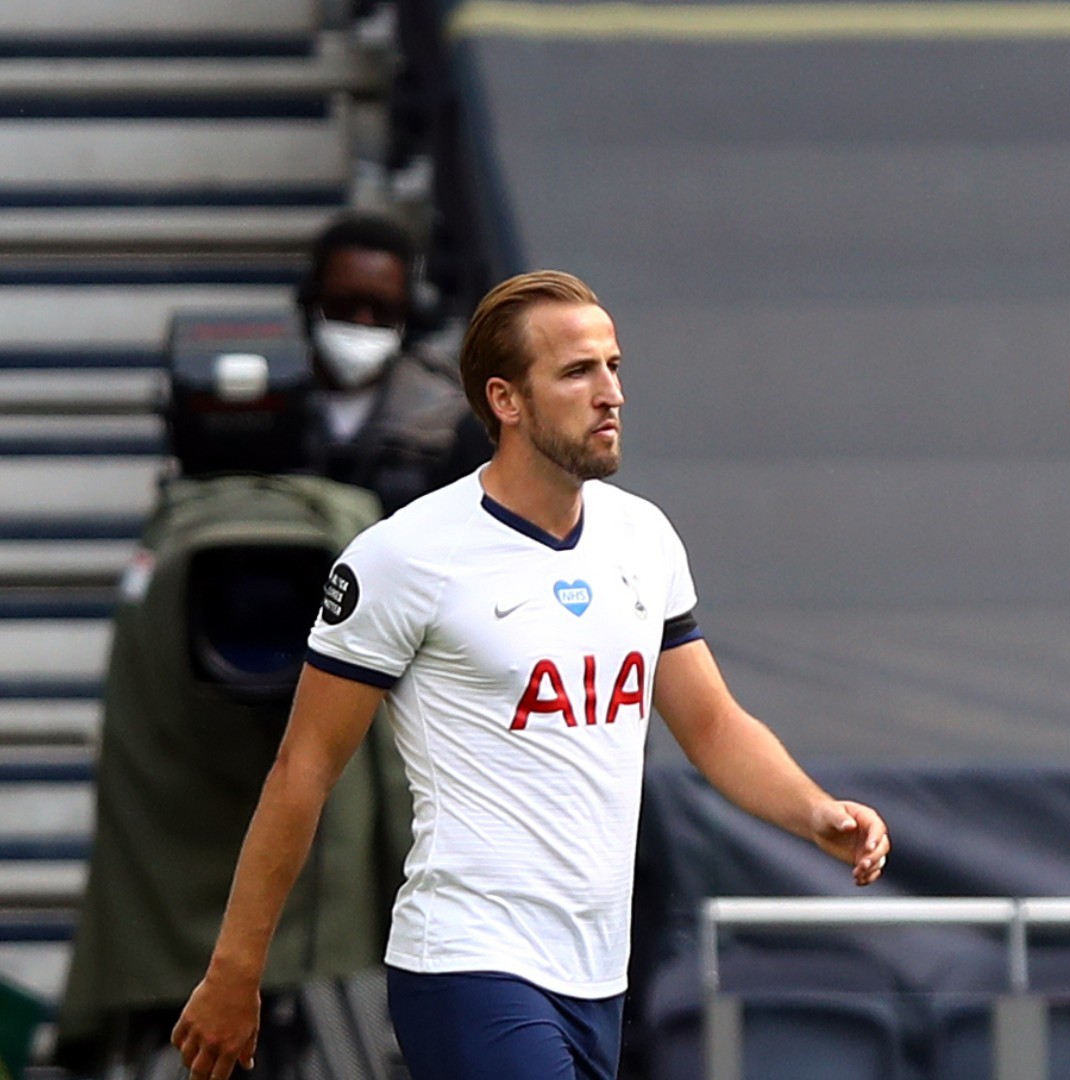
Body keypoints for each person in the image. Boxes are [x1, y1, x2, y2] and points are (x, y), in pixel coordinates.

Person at [169, 270, 892, 1080]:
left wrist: (816, 814)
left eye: (614, 366)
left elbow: (713, 726)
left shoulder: (642, 538)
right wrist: (236, 970)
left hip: (596, 975)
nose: (610, 393)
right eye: (578, 372)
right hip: (467, 964)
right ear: (506, 401)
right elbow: (302, 769)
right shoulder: (407, 555)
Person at [298, 211, 492, 514]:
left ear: (409, 314)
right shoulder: (275, 409)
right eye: (344, 305)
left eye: (382, 309)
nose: (363, 321)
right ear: (312, 302)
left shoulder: (449, 421)